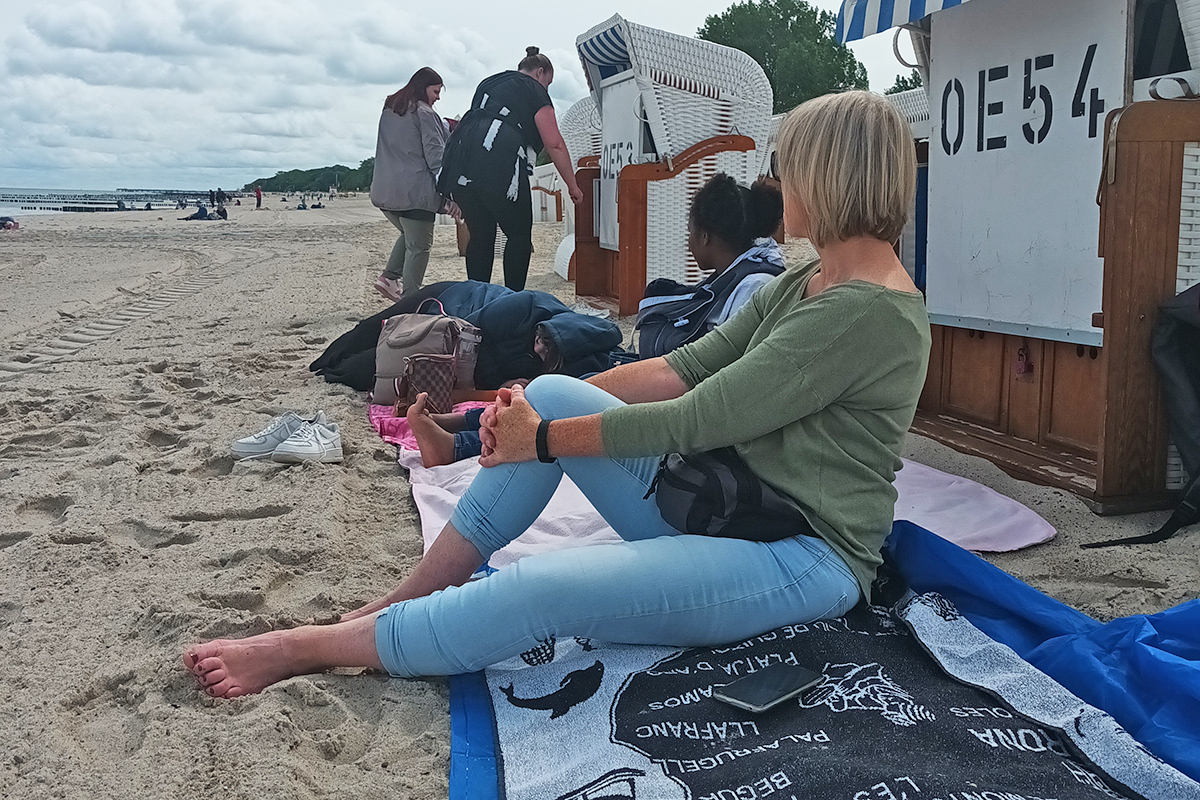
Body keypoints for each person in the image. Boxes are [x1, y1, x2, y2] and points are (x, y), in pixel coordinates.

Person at [184, 90, 931, 698]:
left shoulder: (863, 313)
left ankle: (313, 647)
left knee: (542, 591)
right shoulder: (808, 280)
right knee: (549, 390)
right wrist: (524, 413)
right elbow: (679, 369)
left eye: (788, 167)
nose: (777, 183)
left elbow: (697, 418)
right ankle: (404, 601)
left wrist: (539, 440)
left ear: (829, 177)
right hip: (728, 504)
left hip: (801, 555)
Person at [407, 173, 784, 467]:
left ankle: (459, 444)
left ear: (703, 236)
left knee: (572, 396)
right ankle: (467, 422)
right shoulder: (742, 274)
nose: (688, 242)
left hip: (690, 403)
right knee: (571, 376)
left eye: (689, 234)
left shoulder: (753, 285)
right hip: (677, 380)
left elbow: (721, 373)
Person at [437, 47, 584, 291]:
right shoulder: (534, 90)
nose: (546, 88)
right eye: (548, 83)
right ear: (539, 73)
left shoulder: (489, 83)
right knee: (518, 236)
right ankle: (513, 298)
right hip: (498, 158)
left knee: (481, 235)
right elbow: (554, 143)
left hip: (461, 160)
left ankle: (476, 298)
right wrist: (572, 185)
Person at [369, 67, 456, 302]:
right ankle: (410, 300)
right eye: (436, 91)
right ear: (423, 88)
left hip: (385, 191)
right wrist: (450, 195)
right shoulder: (424, 113)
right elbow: (436, 157)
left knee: (409, 236)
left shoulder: (391, 110)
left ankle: (389, 277)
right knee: (420, 246)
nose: (438, 97)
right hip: (415, 193)